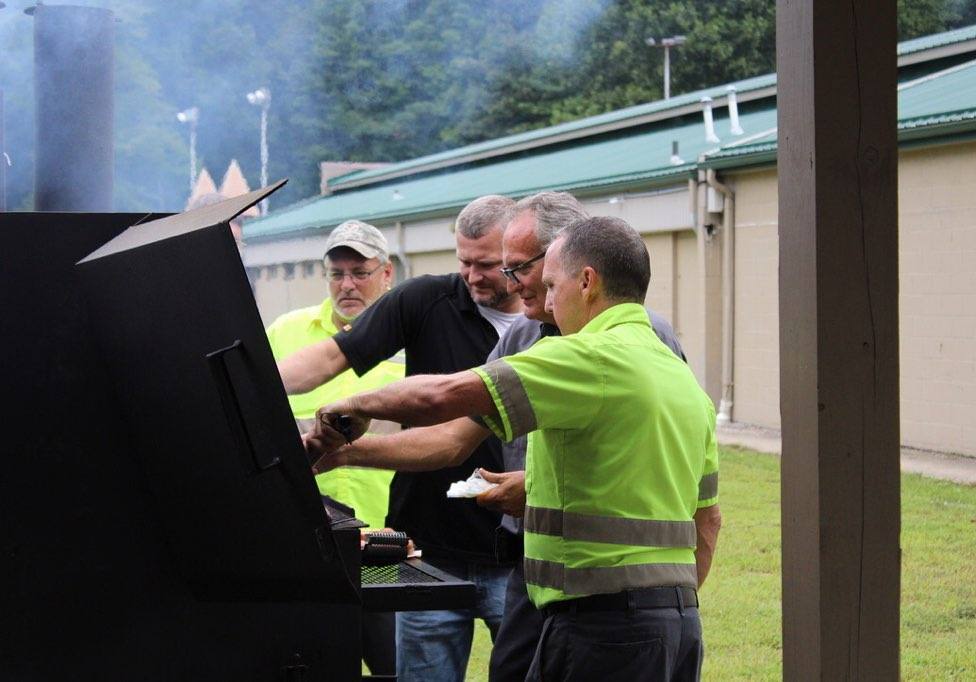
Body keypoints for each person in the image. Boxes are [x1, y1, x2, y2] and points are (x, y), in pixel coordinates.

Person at [309, 191, 705, 680]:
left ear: (580, 271)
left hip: (600, 609)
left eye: (522, 270)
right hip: (580, 589)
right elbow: (454, 438)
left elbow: (446, 395)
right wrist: (345, 454)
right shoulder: (656, 368)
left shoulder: (588, 353)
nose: (516, 287)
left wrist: (357, 403)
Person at [277, 195, 522, 682]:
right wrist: (248, 386)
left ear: (518, 256)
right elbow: (330, 357)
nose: (473, 276)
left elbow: (450, 435)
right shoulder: (426, 299)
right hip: (426, 547)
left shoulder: (544, 328)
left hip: (515, 553)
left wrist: (350, 438)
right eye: (464, 262)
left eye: (488, 265)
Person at [265, 219, 403, 676]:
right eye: (336, 272)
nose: (347, 284)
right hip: (306, 542)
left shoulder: (409, 342)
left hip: (383, 540)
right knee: (307, 664)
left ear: (387, 275)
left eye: (360, 272)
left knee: (391, 664)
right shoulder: (285, 334)